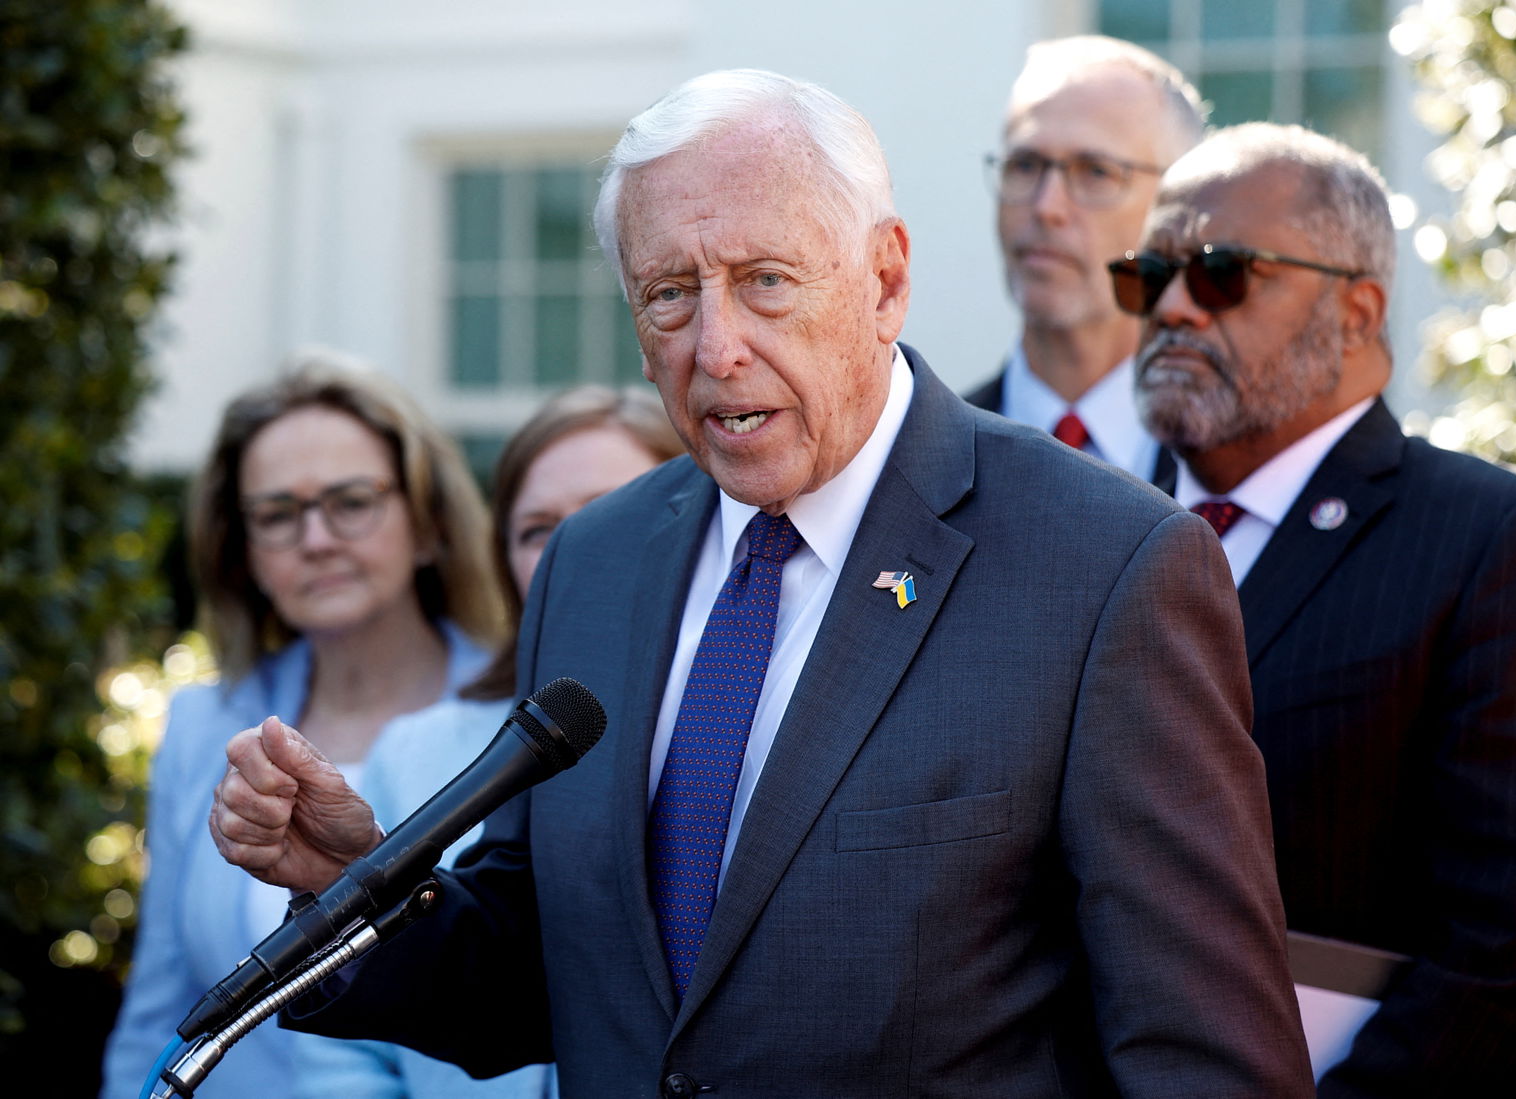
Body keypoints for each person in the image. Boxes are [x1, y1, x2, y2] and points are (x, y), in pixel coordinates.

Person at [210, 70, 1314, 1097]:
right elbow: (547, 970)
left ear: (885, 279)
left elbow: (1203, 1056)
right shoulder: (593, 561)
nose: (717, 346)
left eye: (766, 282)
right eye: (668, 296)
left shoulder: (1102, 566)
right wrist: (352, 890)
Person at [1119, 121, 1516, 1095]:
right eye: (1147, 274)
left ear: (1356, 310)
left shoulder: (1502, 544)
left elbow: (1512, 961)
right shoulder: (1082, 532)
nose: (1172, 306)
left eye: (1220, 271)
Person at [101, 357, 505, 1099]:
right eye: (278, 514)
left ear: (427, 523)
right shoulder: (206, 726)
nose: (315, 538)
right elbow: (160, 1005)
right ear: (244, 550)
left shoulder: (517, 720)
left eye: (351, 501)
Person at [290, 385, 683, 1098]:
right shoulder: (412, 747)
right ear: (503, 554)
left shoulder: (721, 732)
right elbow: (347, 1057)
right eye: (539, 530)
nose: (577, 550)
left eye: (609, 514)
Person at [967, 35, 1205, 486]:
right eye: (1025, 165)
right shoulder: (920, 461)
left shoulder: (1235, 470)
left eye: (1096, 171)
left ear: (1176, 206)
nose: (1047, 206)